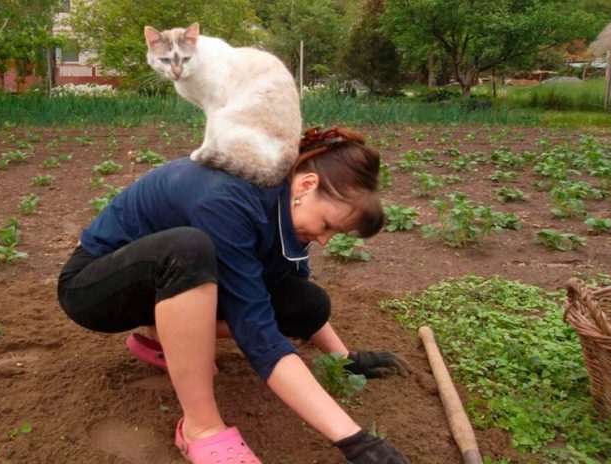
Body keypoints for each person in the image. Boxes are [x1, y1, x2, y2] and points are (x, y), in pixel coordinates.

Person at [57, 126, 412, 464]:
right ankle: (201, 428)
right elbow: (259, 336)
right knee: (188, 249)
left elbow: (282, 291)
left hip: (166, 283)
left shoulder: (283, 202)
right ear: (306, 184)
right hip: (96, 287)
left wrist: (344, 358)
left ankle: (170, 340)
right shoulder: (228, 198)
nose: (324, 240)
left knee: (307, 304)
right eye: (328, 226)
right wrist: (354, 439)